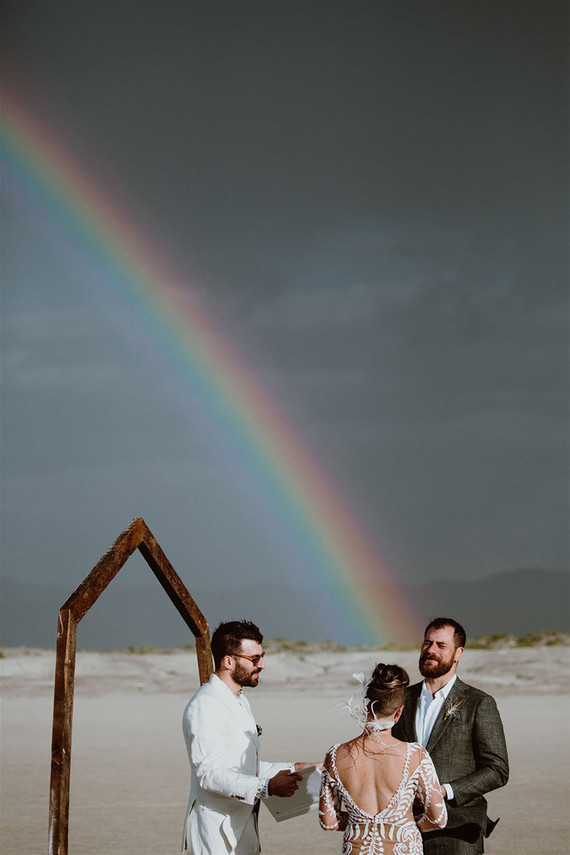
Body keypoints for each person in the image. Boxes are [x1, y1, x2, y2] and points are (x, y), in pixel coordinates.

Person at [181, 619, 311, 855]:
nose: (262, 665)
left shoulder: (239, 700)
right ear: (228, 661)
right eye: (254, 659)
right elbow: (209, 774)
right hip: (215, 836)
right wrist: (267, 786)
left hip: (243, 830)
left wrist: (296, 768)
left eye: (262, 656)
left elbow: (242, 766)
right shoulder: (205, 705)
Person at [392, 618, 509, 854]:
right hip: (403, 830)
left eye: (440, 645)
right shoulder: (401, 699)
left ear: (458, 653)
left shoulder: (480, 703)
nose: (430, 650)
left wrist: (444, 791)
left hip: (457, 830)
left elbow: (497, 769)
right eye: (427, 643)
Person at [319, 662, 448, 854]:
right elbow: (438, 819)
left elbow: (329, 822)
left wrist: (358, 822)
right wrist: (405, 824)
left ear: (366, 704)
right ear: (399, 711)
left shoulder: (335, 755)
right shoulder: (416, 755)